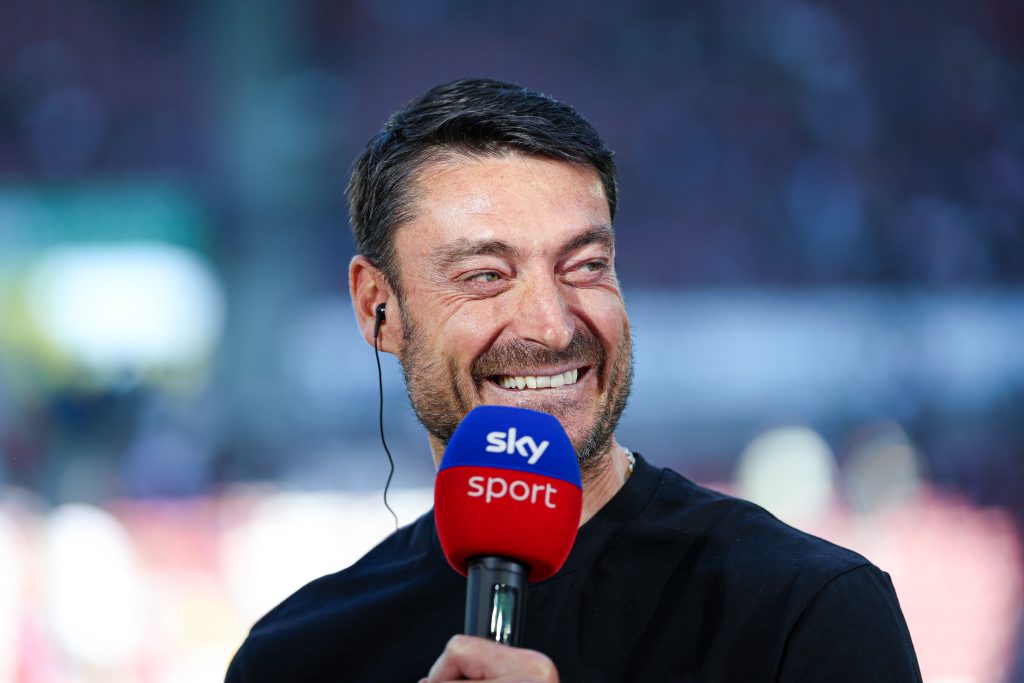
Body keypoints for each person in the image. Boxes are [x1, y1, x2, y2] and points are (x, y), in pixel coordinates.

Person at [226, 78, 922, 682]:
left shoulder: (808, 610)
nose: (554, 327)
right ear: (377, 307)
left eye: (585, 265)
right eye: (485, 276)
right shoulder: (295, 657)